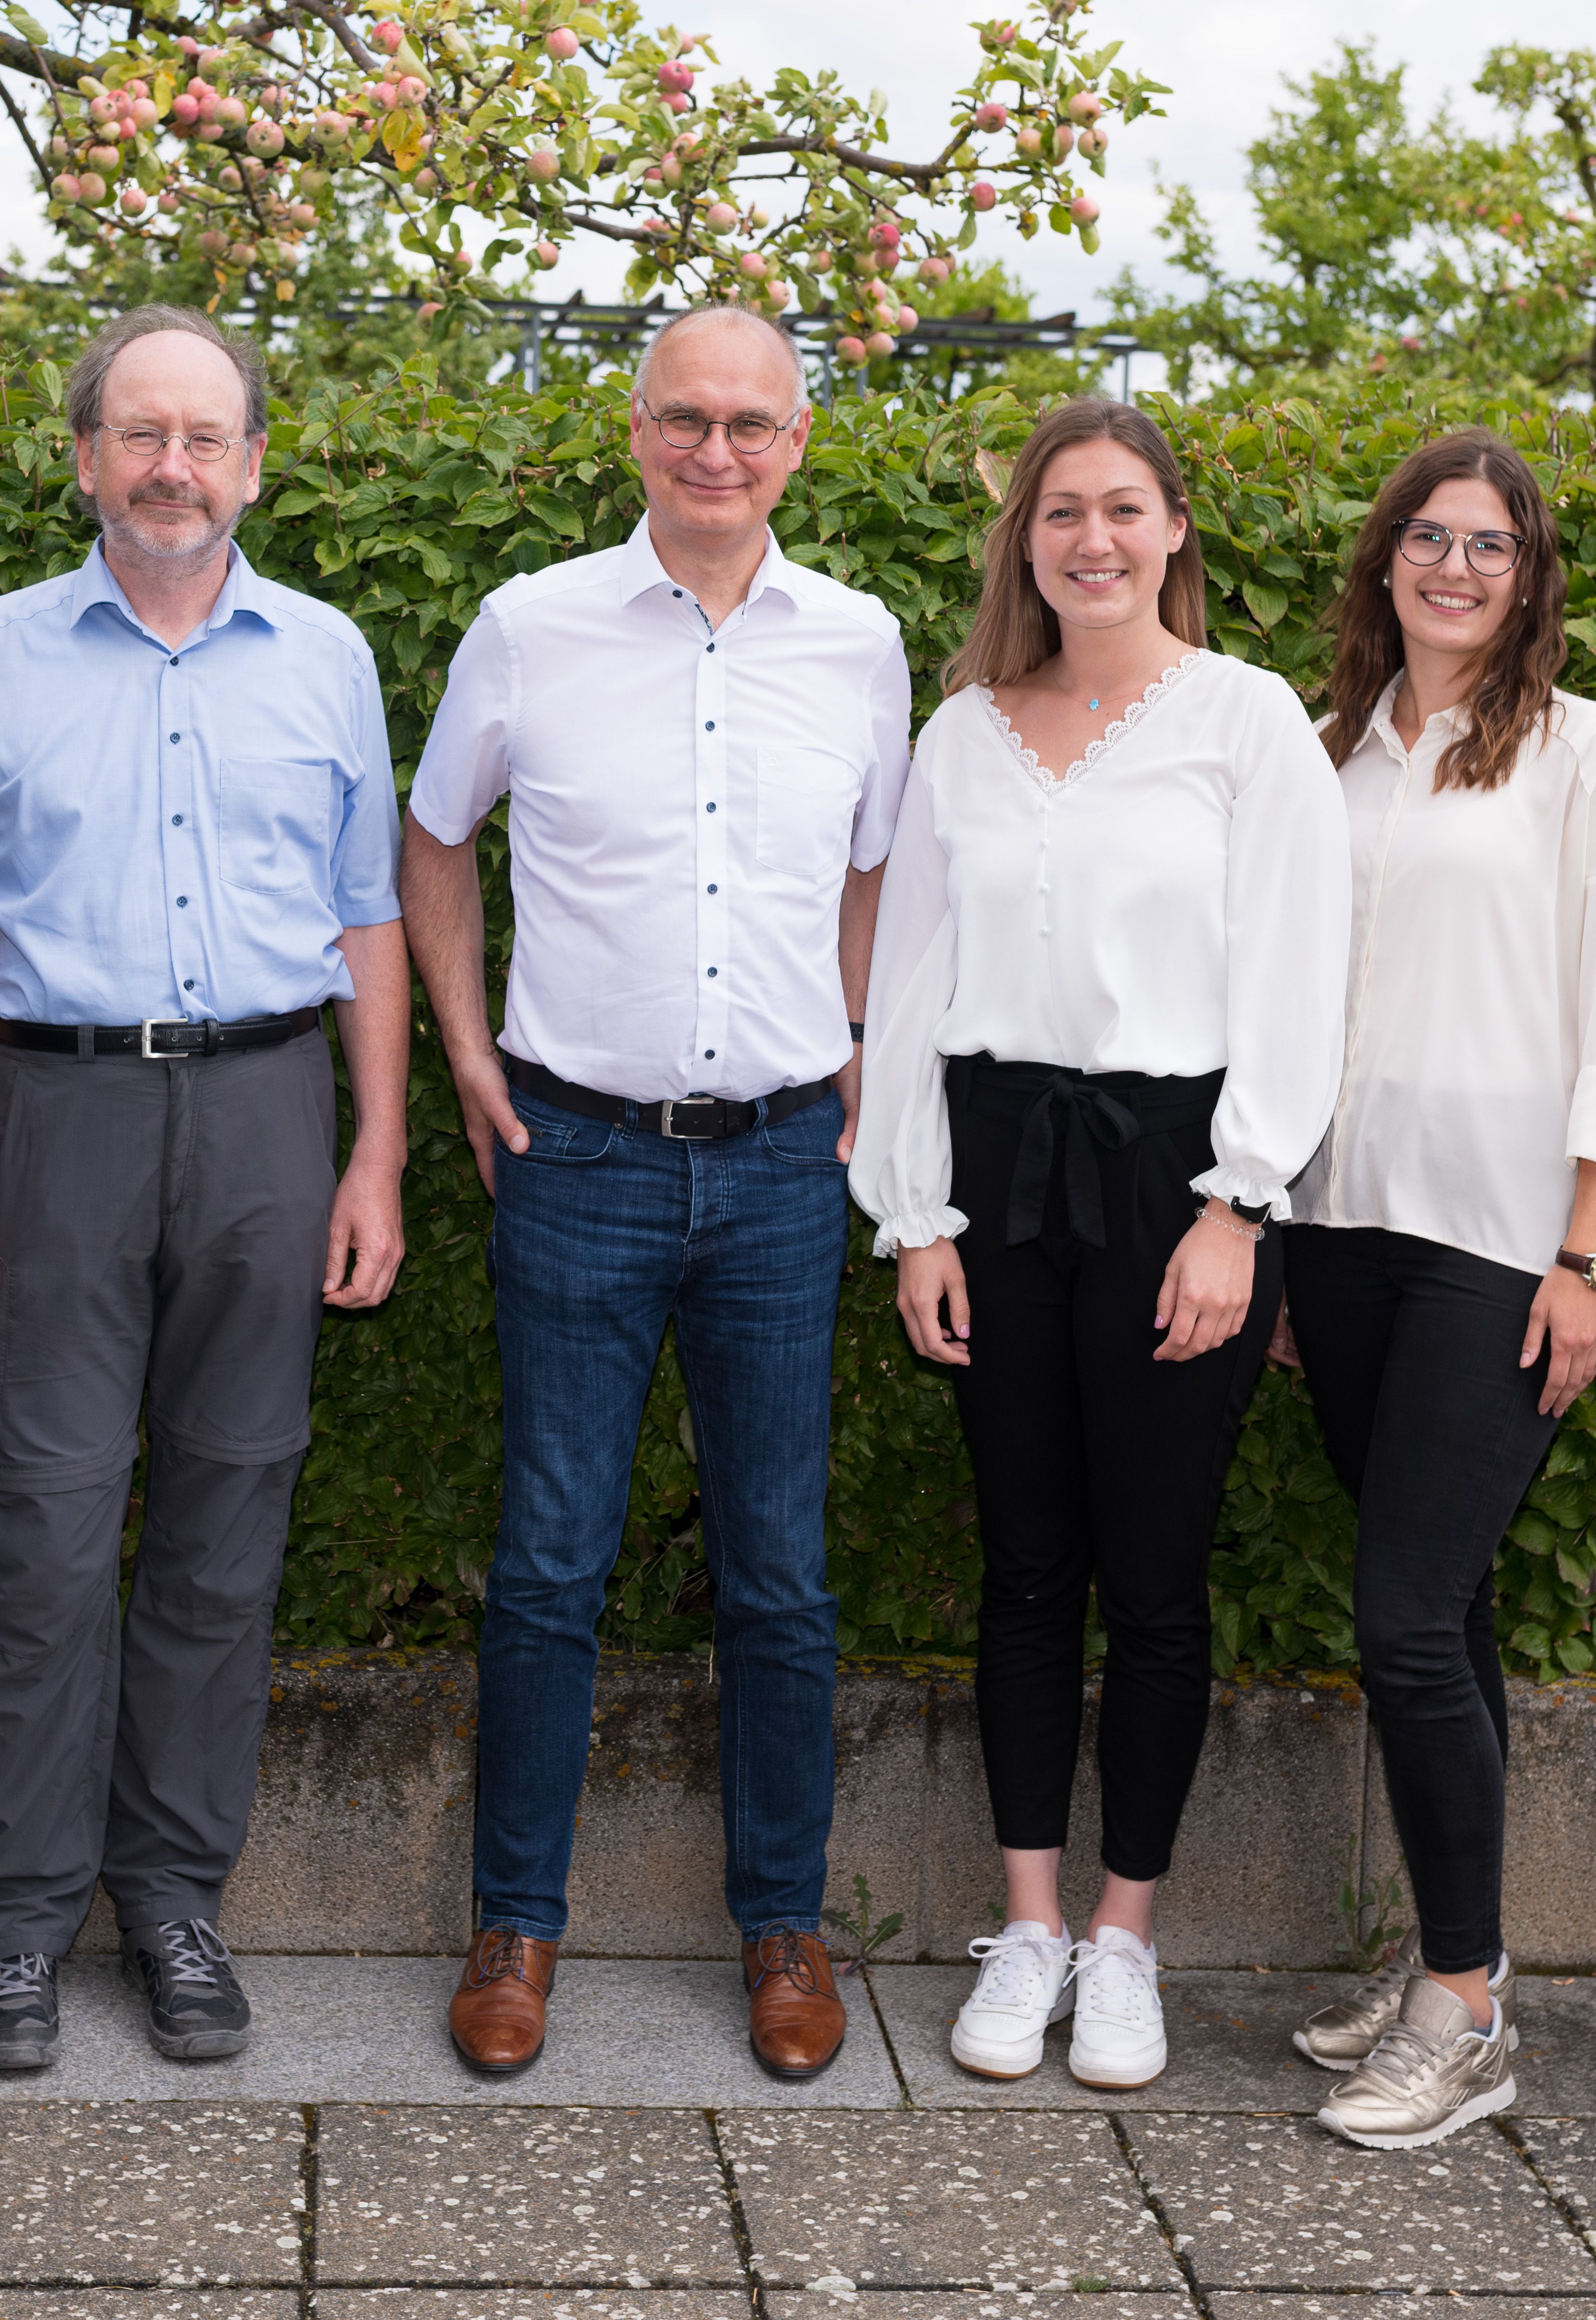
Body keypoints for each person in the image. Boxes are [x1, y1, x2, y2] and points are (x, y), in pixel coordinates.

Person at [0, 305, 408, 2073]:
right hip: (56, 1122)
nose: (171, 466)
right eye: (138, 434)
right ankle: (14, 1929)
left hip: (268, 1113)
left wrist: (377, 1153)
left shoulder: (328, 657)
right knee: (37, 1531)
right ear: (87, 456)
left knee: (226, 1525)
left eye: (204, 436)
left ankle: (175, 1903)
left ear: (255, 462)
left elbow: (368, 922)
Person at [401, 305, 913, 2083]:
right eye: (685, 419)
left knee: (779, 1577)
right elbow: (432, 837)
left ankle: (785, 1931)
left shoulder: (859, 643)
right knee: (549, 1565)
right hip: (580, 1156)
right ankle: (514, 1927)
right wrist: (463, 1053)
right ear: (633, 433)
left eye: (750, 424)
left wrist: (853, 1050)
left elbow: (876, 870)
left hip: (780, 1164)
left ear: (796, 439)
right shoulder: (528, 628)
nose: (717, 451)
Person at [853, 397, 1348, 2094]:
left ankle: (1126, 1939)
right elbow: (910, 980)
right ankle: (1030, 1927)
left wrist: (1239, 1204)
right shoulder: (961, 733)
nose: (1093, 540)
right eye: (1061, 512)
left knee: (1150, 1580)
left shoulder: (1243, 720)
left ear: (1174, 532)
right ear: (1026, 543)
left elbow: (1299, 968)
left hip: (1174, 1179)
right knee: (1020, 1566)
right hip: (995, 1173)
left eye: (1123, 509)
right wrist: (913, 1215)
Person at [1273, 429, 1596, 2146]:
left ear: (1529, 578)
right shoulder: (1324, 752)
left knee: (1403, 1618)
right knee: (1449, 1617)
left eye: (1490, 546)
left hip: (1502, 1247)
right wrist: (1282, 1227)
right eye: (1427, 538)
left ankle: (1458, 2013)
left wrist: (1591, 1253)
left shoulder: (1593, 759)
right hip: (1343, 1233)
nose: (1452, 566)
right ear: (1383, 562)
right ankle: (1469, 1960)